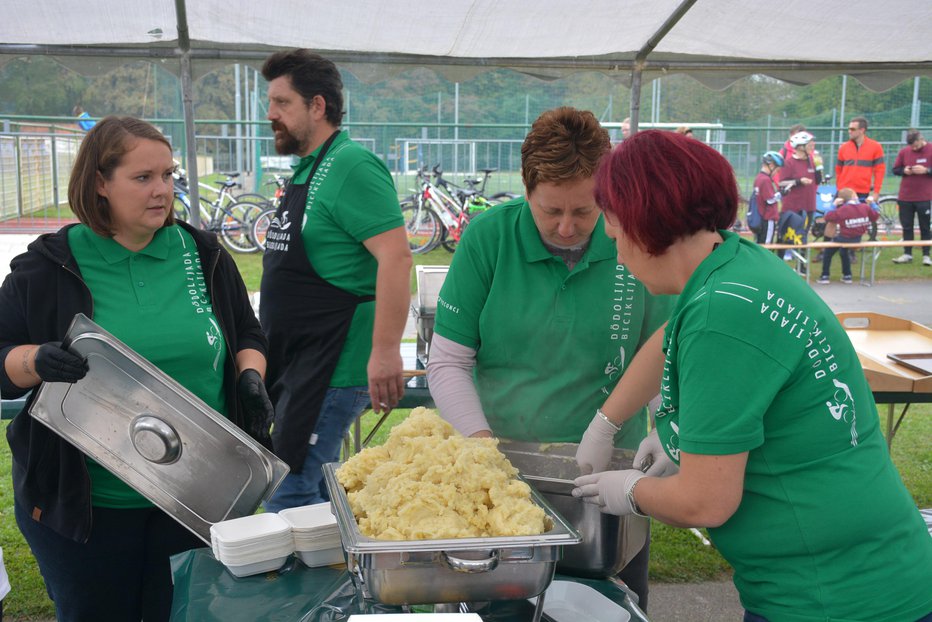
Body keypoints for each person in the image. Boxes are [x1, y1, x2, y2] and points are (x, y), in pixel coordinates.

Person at [572, 129, 932, 622]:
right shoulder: (736, 263)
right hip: (863, 566)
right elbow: (667, 340)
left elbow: (706, 502)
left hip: (834, 596)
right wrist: (609, 422)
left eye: (614, 236)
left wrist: (629, 491)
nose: (617, 256)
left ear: (640, 223)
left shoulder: (721, 314)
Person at [0, 116, 272, 621]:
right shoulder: (48, 265)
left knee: (183, 613)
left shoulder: (203, 253)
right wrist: (34, 360)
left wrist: (249, 376)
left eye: (168, 176)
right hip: (87, 509)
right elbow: (1, 356)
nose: (162, 190)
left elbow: (247, 332)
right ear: (100, 183)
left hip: (194, 496)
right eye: (143, 178)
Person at [428, 107, 675, 610]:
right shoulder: (488, 240)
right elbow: (448, 362)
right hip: (504, 473)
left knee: (606, 605)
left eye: (584, 212)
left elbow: (666, 357)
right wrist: (482, 449)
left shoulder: (637, 244)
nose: (567, 227)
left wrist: (667, 428)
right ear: (525, 191)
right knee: (499, 611)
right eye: (550, 211)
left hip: (608, 478)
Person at [258, 49, 412, 511]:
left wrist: (386, 351)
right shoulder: (309, 168)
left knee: (289, 490)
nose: (271, 115)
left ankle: (298, 585)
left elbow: (397, 259)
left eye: (282, 103)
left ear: (318, 106)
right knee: (320, 491)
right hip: (301, 362)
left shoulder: (351, 166)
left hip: (333, 364)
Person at [817, 187, 878, 284]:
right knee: (843, 251)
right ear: (854, 196)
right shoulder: (865, 207)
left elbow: (827, 216)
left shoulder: (843, 209)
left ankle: (825, 275)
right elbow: (875, 216)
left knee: (828, 252)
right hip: (858, 238)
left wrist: (834, 204)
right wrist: (873, 203)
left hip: (844, 238)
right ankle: (847, 275)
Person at [891, 128, 932, 266]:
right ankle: (907, 254)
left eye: (916, 145)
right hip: (905, 196)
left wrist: (926, 170)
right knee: (906, 226)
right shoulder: (904, 152)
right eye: (911, 146)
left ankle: (926, 255)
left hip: (924, 196)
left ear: (921, 139)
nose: (914, 148)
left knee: (925, 226)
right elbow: (895, 169)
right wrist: (905, 170)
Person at [836, 116, 885, 204]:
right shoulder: (843, 147)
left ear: (862, 130)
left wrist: (876, 192)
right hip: (845, 192)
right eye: (849, 129)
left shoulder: (875, 147)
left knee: (860, 217)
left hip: (862, 192)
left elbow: (879, 171)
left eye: (852, 129)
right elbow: (838, 170)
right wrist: (840, 188)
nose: (849, 131)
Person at [778, 131, 818, 237]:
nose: (812, 146)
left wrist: (819, 168)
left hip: (809, 206)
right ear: (800, 146)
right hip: (793, 208)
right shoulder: (789, 163)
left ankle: (802, 254)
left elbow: (818, 181)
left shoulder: (813, 162)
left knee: (803, 237)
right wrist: (799, 181)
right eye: (810, 144)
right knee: (789, 238)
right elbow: (781, 183)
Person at [752, 151, 783, 245]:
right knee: (766, 245)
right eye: (777, 170)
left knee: (759, 244)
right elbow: (769, 200)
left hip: (760, 218)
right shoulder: (765, 180)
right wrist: (781, 194)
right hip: (768, 217)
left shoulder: (759, 177)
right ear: (772, 165)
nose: (776, 173)